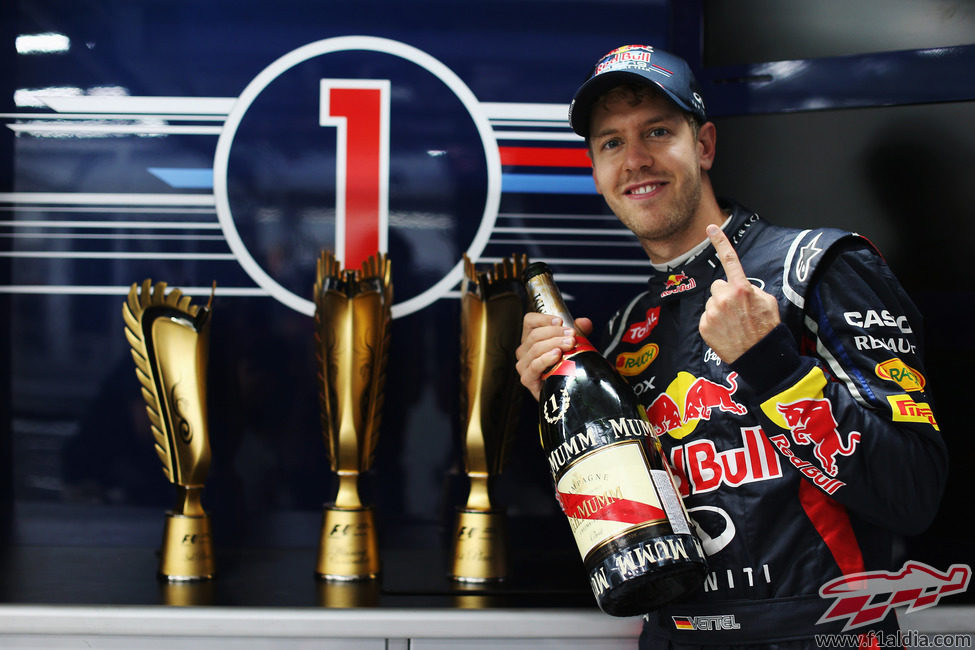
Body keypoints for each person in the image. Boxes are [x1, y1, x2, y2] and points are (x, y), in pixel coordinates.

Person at [515, 44, 948, 648]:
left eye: (657, 131)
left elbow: (912, 493)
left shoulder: (818, 266)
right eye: (611, 142)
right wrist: (563, 411)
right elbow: (620, 537)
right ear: (596, 170)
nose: (635, 159)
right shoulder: (615, 336)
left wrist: (772, 363)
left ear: (704, 145)